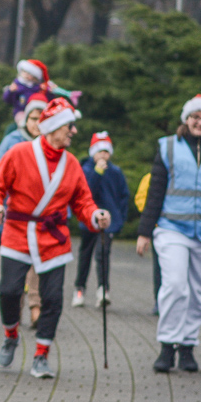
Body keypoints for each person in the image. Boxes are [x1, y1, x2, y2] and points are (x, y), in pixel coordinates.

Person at [0, 99, 112, 379]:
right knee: (8, 291)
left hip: (54, 239)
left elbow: (83, 202)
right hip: (17, 233)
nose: (74, 132)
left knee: (52, 299)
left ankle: (41, 354)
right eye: (69, 126)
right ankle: (10, 334)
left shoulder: (73, 164)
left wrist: (95, 216)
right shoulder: (18, 153)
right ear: (53, 128)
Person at [136, 94, 201, 373]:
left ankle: (187, 346)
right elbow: (155, 191)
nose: (200, 122)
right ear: (187, 119)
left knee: (198, 291)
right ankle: (166, 345)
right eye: (196, 117)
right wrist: (144, 232)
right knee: (174, 284)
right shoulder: (168, 147)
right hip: (172, 228)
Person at [0, 92, 48, 325]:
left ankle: (35, 307)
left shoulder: (52, 147)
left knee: (37, 266)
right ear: (26, 119)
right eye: (33, 118)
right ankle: (15, 313)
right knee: (15, 274)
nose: (37, 124)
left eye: (42, 119)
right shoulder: (12, 141)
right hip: (14, 219)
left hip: (41, 221)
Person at [72, 131, 130, 307]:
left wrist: (120, 218)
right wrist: (97, 172)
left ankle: (103, 290)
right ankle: (79, 289)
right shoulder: (87, 169)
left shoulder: (116, 172)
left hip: (108, 223)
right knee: (85, 255)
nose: (103, 155)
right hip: (88, 221)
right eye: (99, 151)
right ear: (93, 152)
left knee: (103, 254)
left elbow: (123, 196)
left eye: (106, 151)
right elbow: (85, 191)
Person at [134, 172, 162, 314]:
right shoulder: (150, 178)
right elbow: (141, 199)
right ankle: (159, 301)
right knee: (159, 267)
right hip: (158, 229)